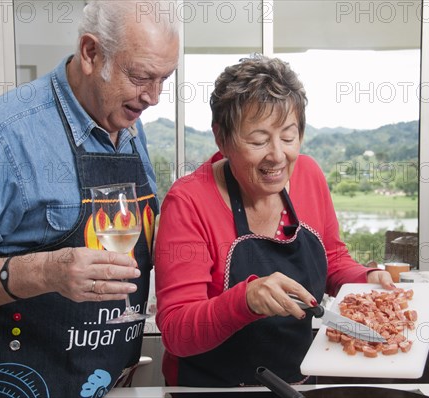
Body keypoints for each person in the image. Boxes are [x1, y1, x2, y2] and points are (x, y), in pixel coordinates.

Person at [0, 1, 179, 396]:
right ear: (90, 52)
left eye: (164, 79)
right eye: (140, 77)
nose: (153, 97)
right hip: (13, 381)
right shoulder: (0, 137)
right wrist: (47, 271)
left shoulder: (130, 126)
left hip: (103, 380)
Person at [154, 54, 394, 387]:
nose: (277, 156)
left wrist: (368, 279)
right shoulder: (189, 202)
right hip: (210, 390)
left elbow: (333, 260)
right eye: (258, 140)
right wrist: (246, 299)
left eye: (288, 136)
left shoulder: (309, 175)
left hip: (294, 385)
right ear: (221, 138)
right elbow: (177, 332)